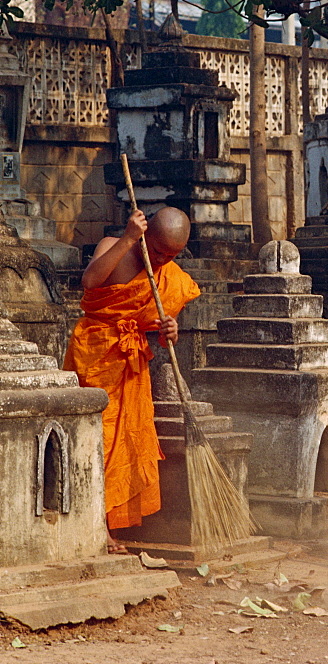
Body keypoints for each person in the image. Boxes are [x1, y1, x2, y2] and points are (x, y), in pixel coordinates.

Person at [64, 206, 200, 553]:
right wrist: (127, 238)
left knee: (126, 443)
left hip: (132, 366)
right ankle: (94, 525)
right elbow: (90, 282)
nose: (162, 261)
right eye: (157, 252)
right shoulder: (116, 245)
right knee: (100, 438)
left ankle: (108, 526)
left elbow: (158, 320)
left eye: (172, 255)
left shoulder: (169, 274)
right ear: (145, 236)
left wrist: (170, 329)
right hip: (96, 356)